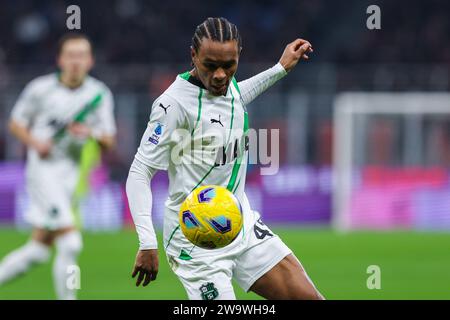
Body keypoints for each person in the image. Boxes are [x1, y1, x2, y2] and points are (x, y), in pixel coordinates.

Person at [126, 17, 323, 300]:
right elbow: (139, 171)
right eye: (210, 66)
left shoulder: (225, 86)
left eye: (228, 66)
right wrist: (147, 242)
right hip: (195, 238)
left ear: (238, 56)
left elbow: (236, 95)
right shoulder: (173, 106)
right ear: (193, 55)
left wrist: (280, 69)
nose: (220, 75)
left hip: (239, 223)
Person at [0, 33, 117, 300]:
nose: (76, 61)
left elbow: (108, 141)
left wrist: (90, 133)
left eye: (81, 56)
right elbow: (16, 122)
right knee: (71, 242)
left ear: (90, 61)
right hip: (43, 171)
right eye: (70, 55)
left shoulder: (98, 95)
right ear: (59, 60)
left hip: (70, 175)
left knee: (38, 251)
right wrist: (34, 142)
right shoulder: (40, 89)